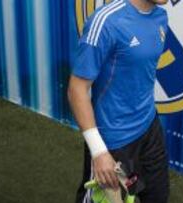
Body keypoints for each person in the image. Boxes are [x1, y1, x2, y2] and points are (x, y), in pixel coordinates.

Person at [67, 0, 169, 202]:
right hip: (114, 143)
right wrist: (99, 151)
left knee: (157, 197)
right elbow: (76, 89)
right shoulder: (106, 21)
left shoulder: (161, 17)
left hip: (149, 131)